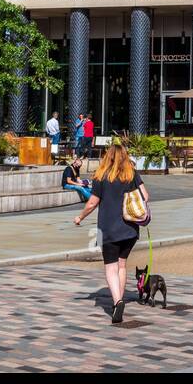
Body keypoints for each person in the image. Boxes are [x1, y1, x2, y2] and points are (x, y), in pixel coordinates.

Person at [73, 137, 150, 325]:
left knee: (110, 267)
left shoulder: (101, 175)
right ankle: (120, 299)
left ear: (107, 156)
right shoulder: (131, 173)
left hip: (108, 228)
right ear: (124, 156)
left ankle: (117, 301)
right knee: (122, 265)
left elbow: (92, 203)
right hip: (130, 227)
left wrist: (80, 217)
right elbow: (145, 196)